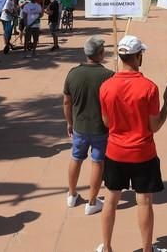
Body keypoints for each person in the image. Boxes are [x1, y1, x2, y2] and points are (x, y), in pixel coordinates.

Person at [96, 35, 167, 252]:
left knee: (111, 199)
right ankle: (147, 249)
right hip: (143, 152)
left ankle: (107, 247)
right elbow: (155, 126)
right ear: (138, 56)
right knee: (144, 202)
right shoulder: (149, 88)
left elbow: (106, 121)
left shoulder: (106, 87)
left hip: (115, 151)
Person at [63, 37, 114, 214]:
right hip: (101, 128)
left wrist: (69, 122)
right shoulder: (108, 75)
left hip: (79, 127)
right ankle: (92, 202)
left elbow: (66, 102)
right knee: (97, 162)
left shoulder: (72, 73)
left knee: (76, 158)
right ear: (100, 53)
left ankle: (71, 194)